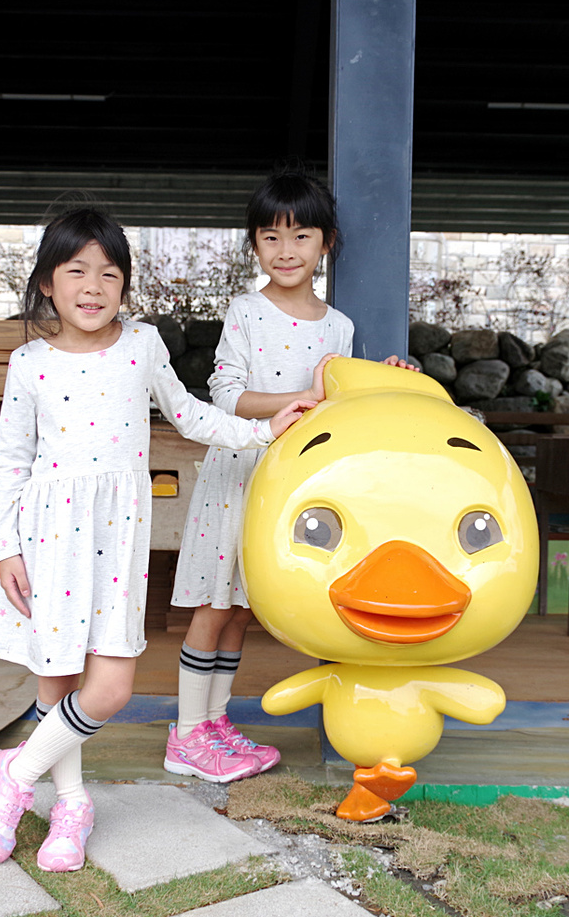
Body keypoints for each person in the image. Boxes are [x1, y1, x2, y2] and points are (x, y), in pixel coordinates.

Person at [0, 206, 313, 873]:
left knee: (108, 688)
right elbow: (10, 461)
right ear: (47, 281)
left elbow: (188, 414)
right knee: (56, 686)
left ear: (125, 286)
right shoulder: (27, 361)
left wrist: (264, 431)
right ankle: (69, 805)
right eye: (77, 270)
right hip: (46, 537)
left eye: (109, 271)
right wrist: (5, 548)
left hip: (115, 538)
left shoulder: (142, 345)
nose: (93, 285)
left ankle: (11, 772)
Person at [166, 170, 416, 783]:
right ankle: (186, 734)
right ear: (254, 244)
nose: (286, 251)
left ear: (325, 243)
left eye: (301, 236)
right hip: (240, 467)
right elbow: (225, 393)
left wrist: (385, 373)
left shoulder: (340, 327)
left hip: (289, 485)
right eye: (271, 237)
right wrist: (295, 398)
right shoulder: (246, 310)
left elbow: (340, 400)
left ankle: (216, 723)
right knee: (211, 603)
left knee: (243, 607)